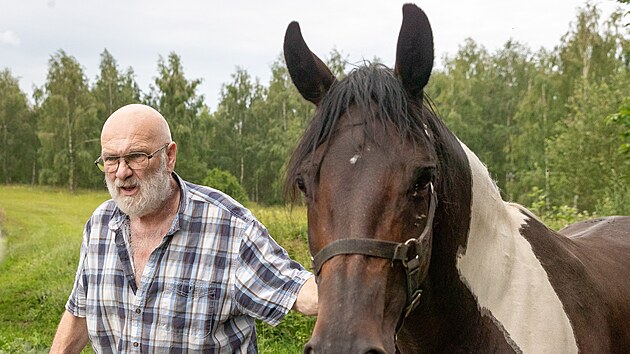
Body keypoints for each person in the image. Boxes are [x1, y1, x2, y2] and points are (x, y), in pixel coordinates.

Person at [50, 104, 318, 353]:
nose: (122, 172)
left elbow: (299, 292)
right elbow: (80, 313)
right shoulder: (100, 225)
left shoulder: (229, 228)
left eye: (136, 156)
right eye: (111, 159)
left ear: (169, 156)